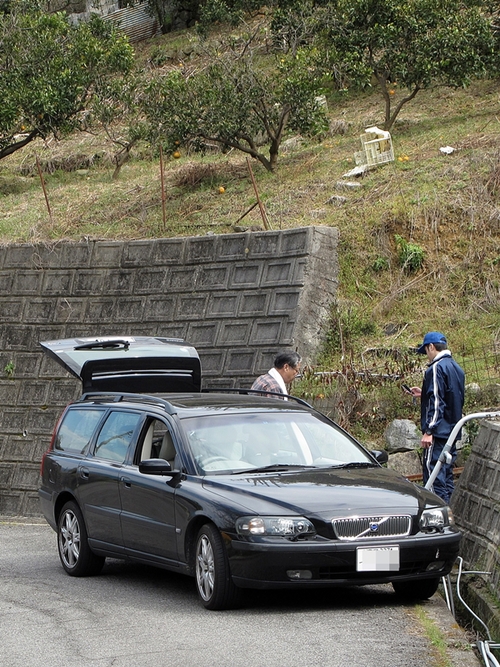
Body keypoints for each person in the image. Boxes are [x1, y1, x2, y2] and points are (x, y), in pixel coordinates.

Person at [409, 331, 465, 504]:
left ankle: (437, 521)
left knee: (434, 476)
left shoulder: (435, 368)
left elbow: (437, 401)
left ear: (431, 347)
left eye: (426, 351)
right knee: (447, 476)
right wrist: (423, 394)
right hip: (452, 431)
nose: (426, 356)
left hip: (438, 433)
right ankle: (451, 515)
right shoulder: (456, 368)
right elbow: (449, 397)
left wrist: (429, 430)